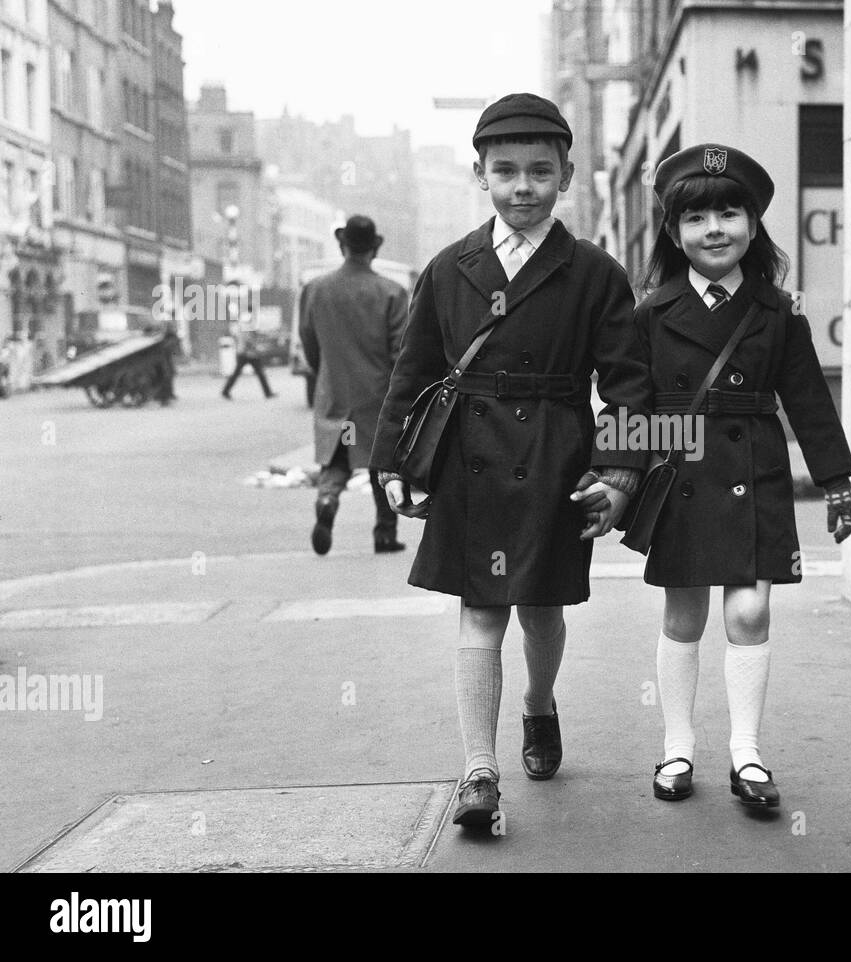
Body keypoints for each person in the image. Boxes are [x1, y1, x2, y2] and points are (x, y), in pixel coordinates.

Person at [369, 93, 652, 829]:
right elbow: (415, 368)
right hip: (472, 456)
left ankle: (537, 705)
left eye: (538, 171)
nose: (521, 186)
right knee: (481, 609)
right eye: (505, 171)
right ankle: (477, 771)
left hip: (557, 461)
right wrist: (394, 460)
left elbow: (628, 383)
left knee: (542, 610)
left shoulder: (594, 273)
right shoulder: (448, 266)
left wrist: (619, 475)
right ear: (480, 174)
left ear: (566, 176)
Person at [634, 144, 851, 809]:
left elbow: (809, 398)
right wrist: (616, 476)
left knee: (752, 608)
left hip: (754, 469)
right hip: (681, 475)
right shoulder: (651, 312)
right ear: (674, 233)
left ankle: (747, 753)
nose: (715, 229)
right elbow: (631, 404)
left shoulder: (777, 310)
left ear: (754, 224)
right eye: (697, 217)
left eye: (730, 213)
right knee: (683, 610)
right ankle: (677, 747)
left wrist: (837, 480)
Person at [300, 215, 410, 555]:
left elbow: (309, 342)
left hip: (334, 393)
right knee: (382, 464)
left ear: (341, 245)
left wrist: (326, 375)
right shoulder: (392, 292)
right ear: (374, 248)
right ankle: (385, 534)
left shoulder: (315, 289)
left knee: (336, 461)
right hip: (376, 397)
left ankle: (328, 498)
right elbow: (401, 350)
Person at [220, 322, 276, 400]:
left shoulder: (249, 325)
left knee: (259, 374)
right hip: (246, 354)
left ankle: (268, 392)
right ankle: (225, 391)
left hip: (249, 353)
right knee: (240, 373)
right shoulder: (247, 325)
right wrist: (257, 347)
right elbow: (248, 340)